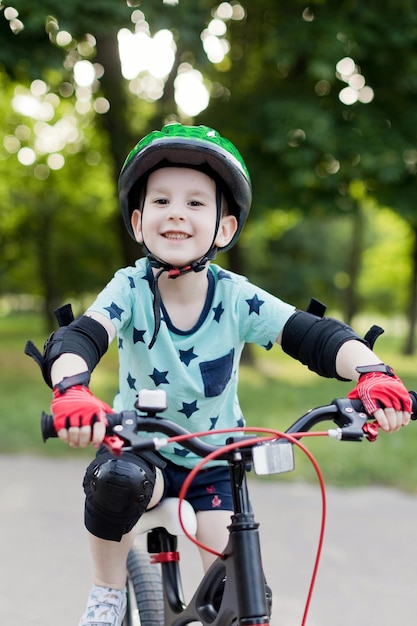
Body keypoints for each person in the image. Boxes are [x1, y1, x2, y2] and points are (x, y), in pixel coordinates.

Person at [26, 123, 411, 626]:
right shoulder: (130, 287)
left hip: (215, 460)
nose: (178, 214)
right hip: (138, 447)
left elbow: (313, 335)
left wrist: (375, 374)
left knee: (239, 594)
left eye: (196, 203)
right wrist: (71, 389)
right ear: (138, 223)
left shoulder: (236, 297)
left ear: (224, 229)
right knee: (115, 480)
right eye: (161, 201)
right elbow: (83, 336)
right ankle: (106, 594)